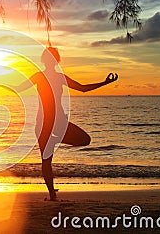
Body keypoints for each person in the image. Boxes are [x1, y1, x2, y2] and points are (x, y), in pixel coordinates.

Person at [15, 47, 118, 201]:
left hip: (57, 122)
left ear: (56, 61)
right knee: (46, 160)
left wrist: (104, 82)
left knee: (83, 140)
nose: (50, 60)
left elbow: (82, 88)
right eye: (48, 57)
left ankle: (55, 141)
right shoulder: (40, 76)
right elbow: (18, 88)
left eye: (52, 58)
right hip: (45, 123)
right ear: (46, 60)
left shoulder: (56, 77)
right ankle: (52, 195)